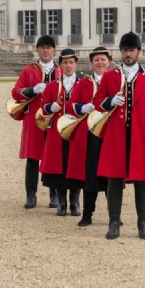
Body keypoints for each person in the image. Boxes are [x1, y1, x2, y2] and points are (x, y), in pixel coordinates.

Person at [93, 32, 145, 240]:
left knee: (142, 180)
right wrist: (109, 102)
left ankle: (143, 223)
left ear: (139, 52)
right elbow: (98, 101)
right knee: (114, 180)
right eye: (124, 50)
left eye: (131, 50)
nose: (128, 54)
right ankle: (114, 223)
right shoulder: (110, 76)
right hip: (116, 135)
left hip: (141, 137)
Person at [64, 46, 112, 226]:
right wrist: (81, 108)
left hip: (109, 135)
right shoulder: (84, 83)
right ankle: (87, 214)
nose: (100, 62)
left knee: (112, 177)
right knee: (90, 175)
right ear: (92, 63)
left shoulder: (117, 81)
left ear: (109, 61)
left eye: (103, 59)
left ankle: (113, 215)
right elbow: (70, 105)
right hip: (90, 135)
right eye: (96, 60)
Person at [11, 35, 59, 209]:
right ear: (37, 50)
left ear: (53, 50)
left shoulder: (60, 71)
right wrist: (32, 89)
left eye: (49, 47)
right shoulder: (29, 70)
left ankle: (54, 194)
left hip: (54, 118)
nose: (46, 51)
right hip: (34, 117)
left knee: (53, 156)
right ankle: (31, 195)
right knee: (32, 158)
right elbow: (16, 92)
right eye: (43, 47)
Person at [41, 48, 81, 216]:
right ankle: (61, 202)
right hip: (57, 130)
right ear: (61, 65)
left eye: (71, 62)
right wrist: (51, 107)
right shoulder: (52, 85)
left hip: (76, 130)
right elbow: (43, 107)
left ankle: (75, 201)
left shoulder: (83, 84)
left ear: (76, 64)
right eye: (65, 63)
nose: (68, 65)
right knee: (59, 166)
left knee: (76, 165)